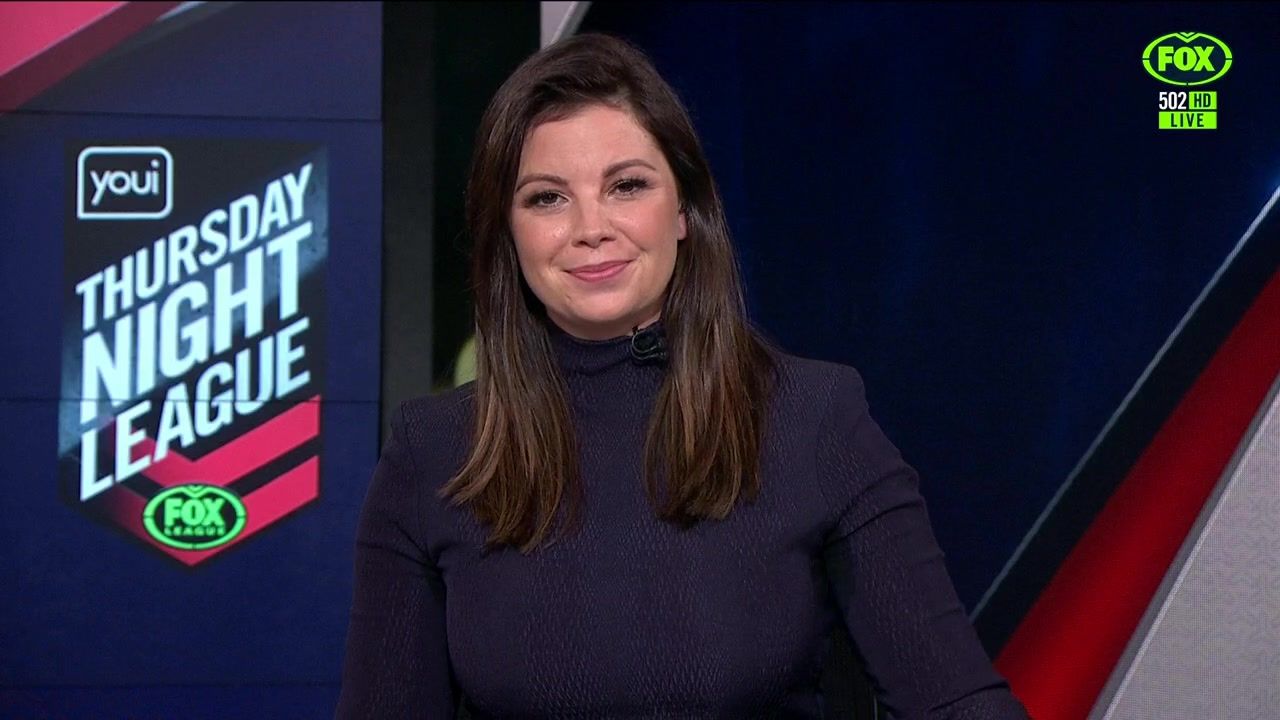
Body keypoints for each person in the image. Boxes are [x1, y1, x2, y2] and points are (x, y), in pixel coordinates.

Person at [336, 33, 1029, 719]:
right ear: (508, 234)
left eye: (626, 186)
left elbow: (956, 701)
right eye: (547, 198)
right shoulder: (434, 451)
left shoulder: (813, 417)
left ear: (685, 213)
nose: (591, 227)